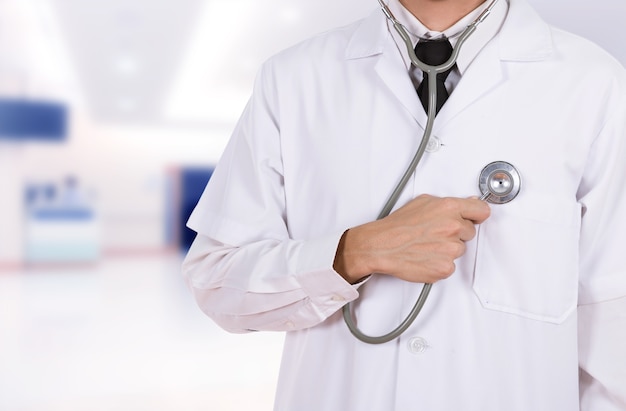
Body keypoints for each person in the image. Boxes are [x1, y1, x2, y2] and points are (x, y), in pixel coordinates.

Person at [182, 0, 626, 409]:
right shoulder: (293, 78)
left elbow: (613, 330)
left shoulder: (593, 85)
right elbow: (218, 281)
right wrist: (352, 253)